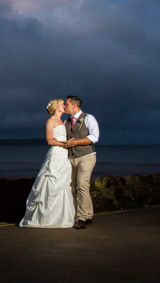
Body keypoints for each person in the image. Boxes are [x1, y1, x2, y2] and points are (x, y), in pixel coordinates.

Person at [19, 99, 75, 228]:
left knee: (63, 183)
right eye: (62, 104)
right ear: (56, 107)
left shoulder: (63, 121)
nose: (64, 106)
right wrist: (64, 143)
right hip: (56, 153)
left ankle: (61, 216)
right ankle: (44, 218)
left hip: (63, 155)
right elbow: (50, 140)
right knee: (51, 181)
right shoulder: (50, 121)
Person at [64, 95, 100, 229]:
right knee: (74, 186)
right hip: (72, 157)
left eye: (66, 104)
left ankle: (82, 218)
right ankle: (89, 214)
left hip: (87, 156)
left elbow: (94, 137)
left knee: (82, 185)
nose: (64, 106)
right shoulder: (66, 122)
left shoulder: (89, 118)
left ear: (74, 105)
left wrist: (75, 142)